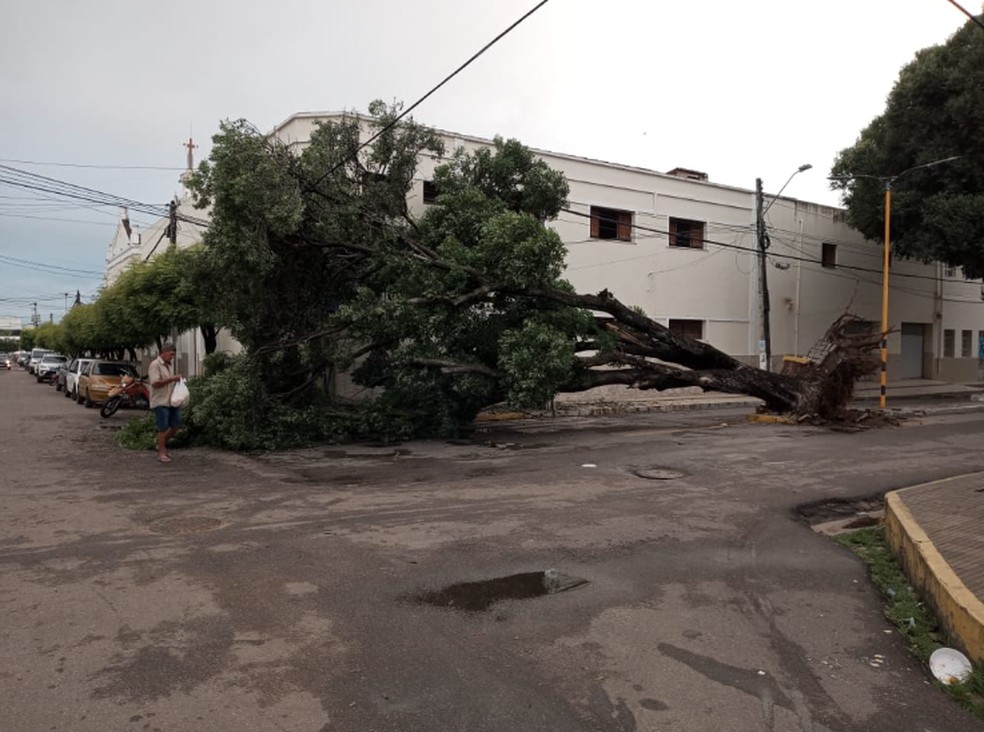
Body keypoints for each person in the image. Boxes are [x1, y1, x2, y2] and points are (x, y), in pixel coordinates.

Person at [149, 342, 182, 463]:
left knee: (176, 425)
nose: (172, 357)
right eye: (171, 354)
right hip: (160, 401)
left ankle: (160, 443)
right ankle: (161, 452)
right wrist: (172, 379)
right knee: (162, 427)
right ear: (163, 352)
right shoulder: (155, 365)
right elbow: (155, 383)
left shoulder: (169, 365)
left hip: (171, 400)